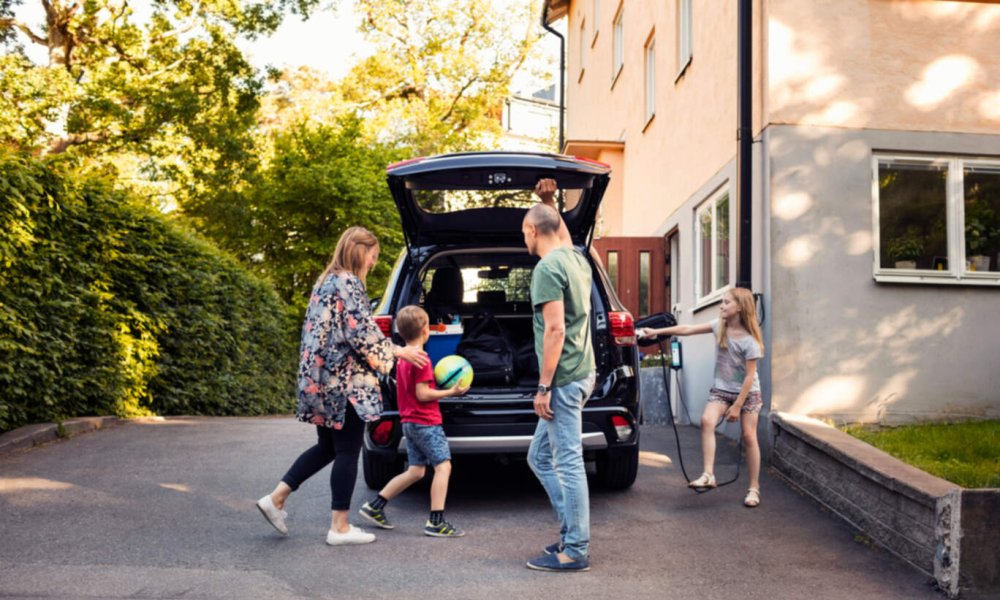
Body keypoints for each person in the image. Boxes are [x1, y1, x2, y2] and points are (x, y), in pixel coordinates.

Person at [256, 226, 429, 545]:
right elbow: (361, 335)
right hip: (341, 382)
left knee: (327, 447)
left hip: (319, 380)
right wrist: (399, 351)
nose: (373, 263)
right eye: (373, 256)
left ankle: (276, 498)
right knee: (348, 449)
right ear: (360, 251)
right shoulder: (348, 283)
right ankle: (340, 527)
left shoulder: (326, 280)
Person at [521, 180, 597, 573]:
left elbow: (555, 330)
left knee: (566, 461)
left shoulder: (547, 268)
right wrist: (548, 202)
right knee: (539, 457)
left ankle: (575, 549)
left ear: (533, 231)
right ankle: (571, 532)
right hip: (581, 372)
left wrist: (543, 387)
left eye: (524, 231)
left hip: (563, 379)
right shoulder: (574, 257)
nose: (524, 238)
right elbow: (561, 230)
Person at [637, 287, 765, 508]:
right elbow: (687, 328)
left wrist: (737, 406)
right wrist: (658, 332)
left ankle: (754, 488)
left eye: (726, 302)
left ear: (740, 307)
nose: (722, 306)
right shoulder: (719, 327)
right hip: (721, 389)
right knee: (707, 421)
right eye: (721, 302)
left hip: (747, 393)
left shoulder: (749, 341)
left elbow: (749, 377)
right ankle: (708, 474)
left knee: (749, 436)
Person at [358, 305, 469, 537]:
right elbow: (423, 394)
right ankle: (436, 522)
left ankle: (375, 506)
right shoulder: (423, 360)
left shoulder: (402, 359)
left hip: (409, 421)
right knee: (443, 466)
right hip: (426, 422)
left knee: (417, 471)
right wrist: (451, 392)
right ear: (426, 331)